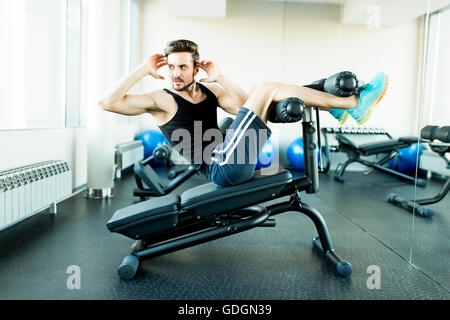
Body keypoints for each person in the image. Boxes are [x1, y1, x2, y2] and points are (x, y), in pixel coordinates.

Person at [98, 39, 388, 187]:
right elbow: (107, 102)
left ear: (196, 68)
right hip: (221, 168)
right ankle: (352, 105)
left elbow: (249, 106)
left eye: (183, 66)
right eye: (171, 66)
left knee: (264, 95)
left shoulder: (209, 92)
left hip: (231, 155)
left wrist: (221, 77)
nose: (175, 73)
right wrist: (142, 70)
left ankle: (334, 104)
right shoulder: (161, 99)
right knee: (266, 88)